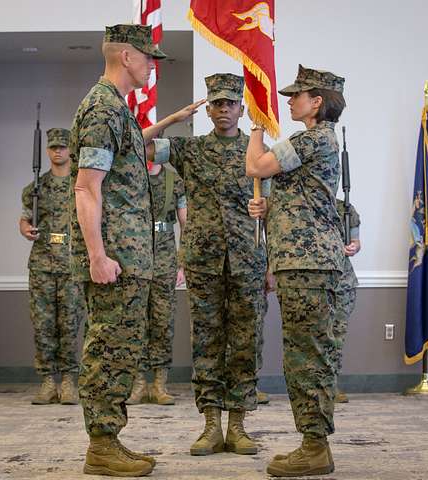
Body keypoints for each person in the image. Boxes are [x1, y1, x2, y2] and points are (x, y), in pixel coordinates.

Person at [143, 73, 270, 456]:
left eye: (230, 103)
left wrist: (271, 262)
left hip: (248, 260)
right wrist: (172, 119)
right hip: (202, 260)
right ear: (208, 107)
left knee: (246, 344)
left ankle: (239, 426)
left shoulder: (259, 154)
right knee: (207, 343)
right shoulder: (190, 149)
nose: (223, 110)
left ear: (241, 108)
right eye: (216, 103)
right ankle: (211, 425)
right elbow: (138, 142)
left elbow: (274, 212)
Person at [68, 24, 168, 477]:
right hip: (115, 260)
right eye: (149, 58)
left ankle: (109, 439)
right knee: (109, 348)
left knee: (122, 348)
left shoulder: (118, 110)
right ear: (127, 56)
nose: (152, 65)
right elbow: (87, 188)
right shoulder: (103, 109)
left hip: (130, 258)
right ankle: (101, 445)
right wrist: (97, 256)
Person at [246, 65, 347, 477]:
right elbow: (299, 196)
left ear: (317, 102)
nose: (289, 102)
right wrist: (270, 209)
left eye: (297, 95)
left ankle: (315, 446)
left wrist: (256, 125)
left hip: (308, 263)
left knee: (307, 357)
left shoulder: (315, 137)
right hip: (301, 261)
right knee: (302, 355)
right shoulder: (315, 141)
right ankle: (312, 441)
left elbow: (256, 167)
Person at [19, 128, 85, 406]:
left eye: (62, 147)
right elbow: (24, 219)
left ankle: (69, 381)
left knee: (70, 325)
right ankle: (48, 380)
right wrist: (25, 229)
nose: (58, 151)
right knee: (43, 325)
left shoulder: (81, 184)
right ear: (47, 151)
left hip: (71, 262)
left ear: (71, 150)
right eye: (53, 147)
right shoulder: (35, 188)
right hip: (43, 263)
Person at [126, 162, 187, 406]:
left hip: (165, 258)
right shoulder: (131, 177)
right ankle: (138, 383)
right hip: (135, 258)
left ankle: (160, 384)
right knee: (136, 320)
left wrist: (182, 263)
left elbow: (186, 224)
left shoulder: (174, 181)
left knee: (163, 321)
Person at [333, 199, 361, 403]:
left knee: (336, 337)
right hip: (312, 281)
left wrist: (352, 247)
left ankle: (331, 385)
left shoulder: (345, 209)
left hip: (342, 282)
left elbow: (355, 242)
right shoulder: (302, 205)